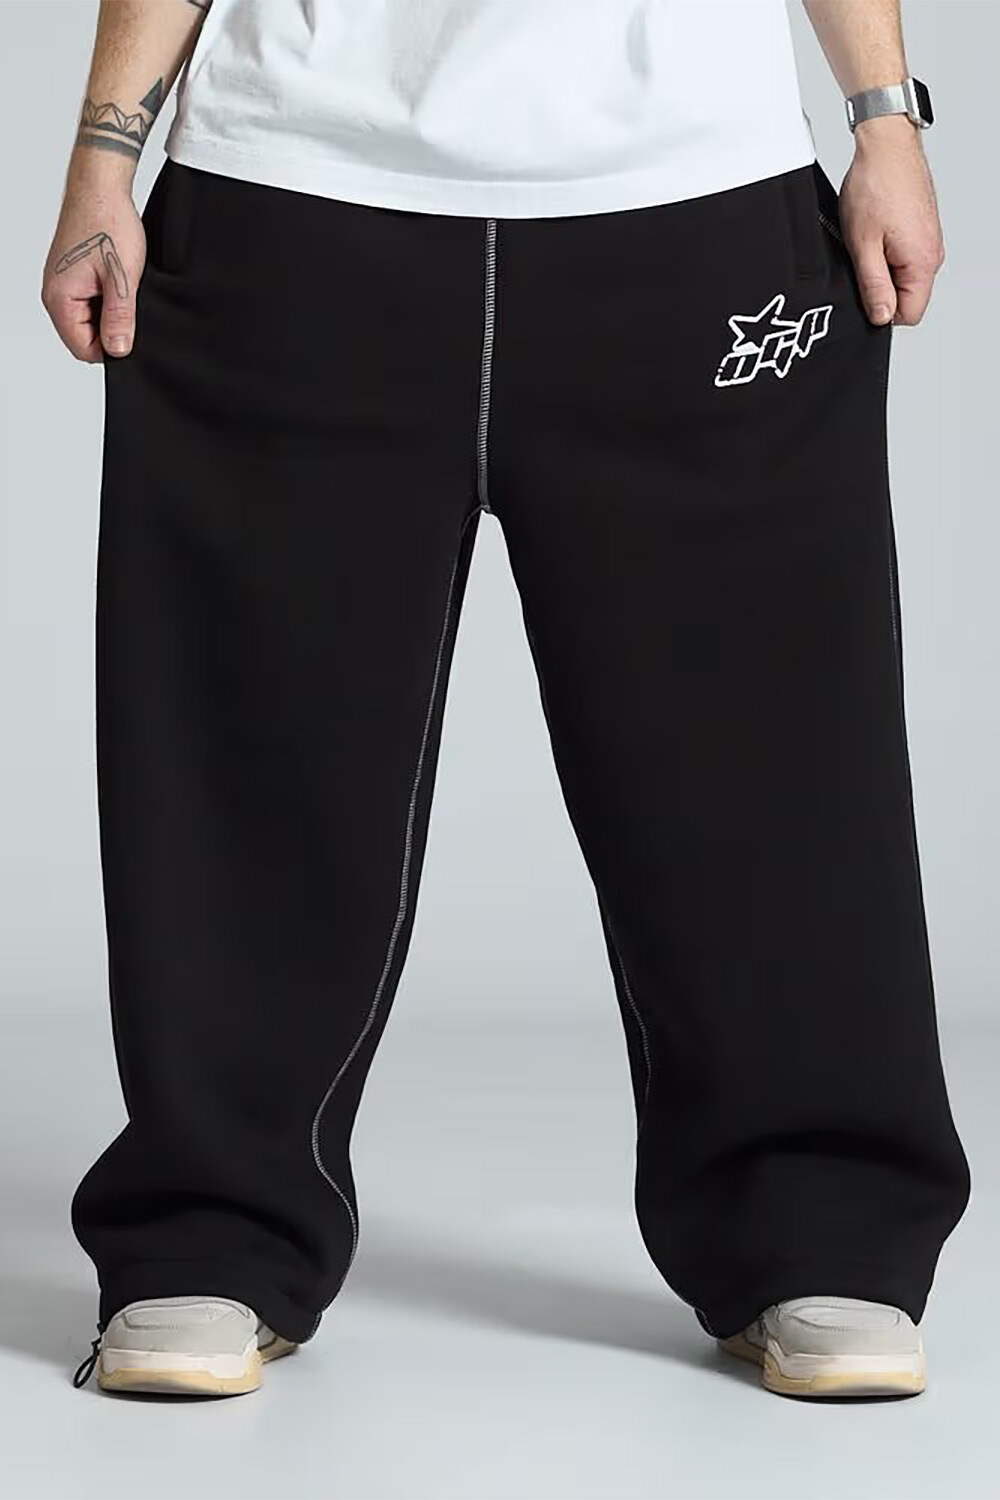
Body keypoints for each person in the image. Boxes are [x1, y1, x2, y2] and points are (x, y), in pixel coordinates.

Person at [44, 0, 969, 1401]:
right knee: (250, 741)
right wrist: (105, 151)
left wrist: (884, 117)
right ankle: (207, 1235)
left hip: (691, 187)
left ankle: (818, 1229)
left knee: (767, 754)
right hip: (296, 184)